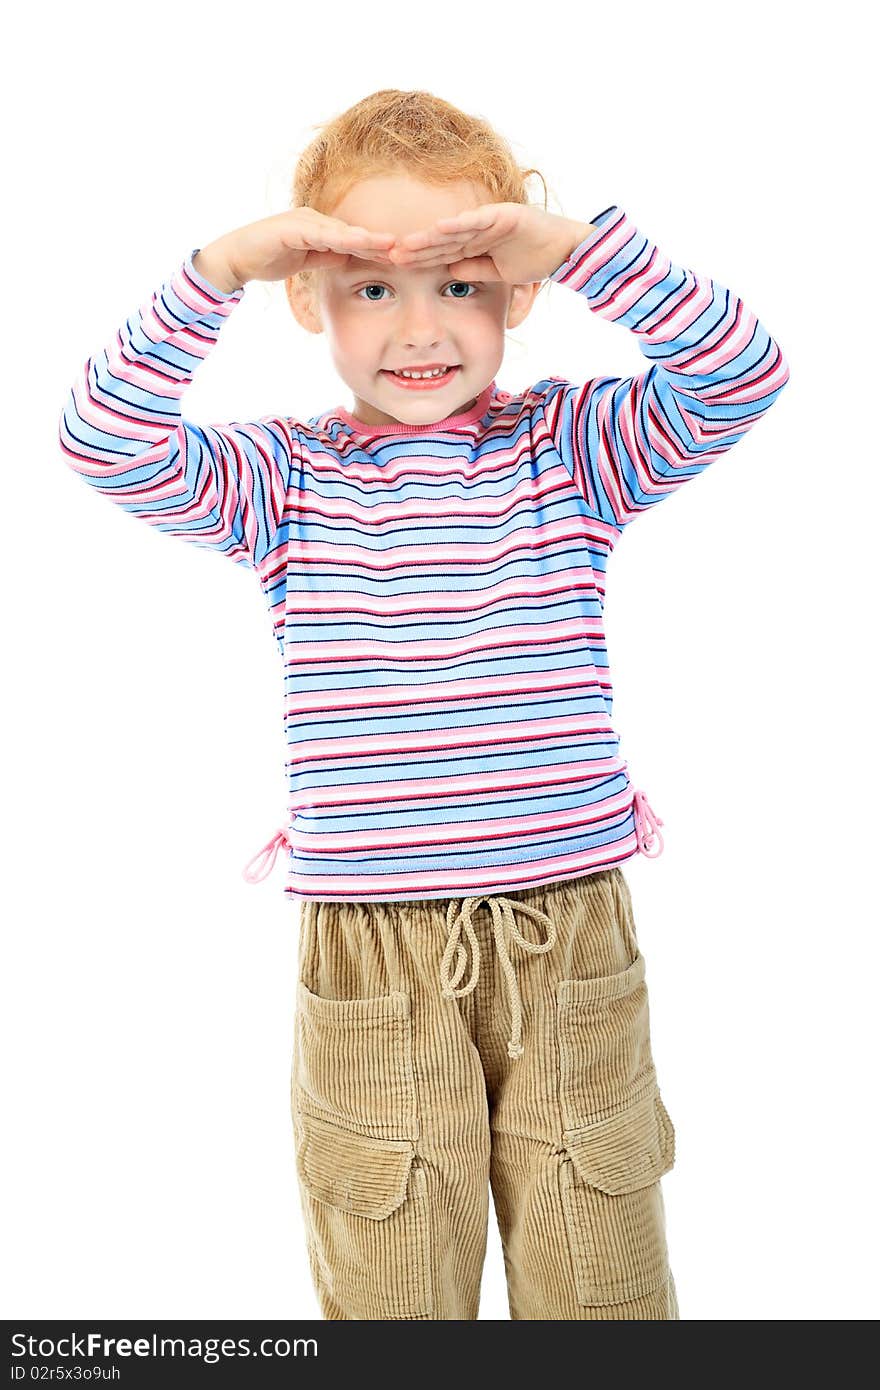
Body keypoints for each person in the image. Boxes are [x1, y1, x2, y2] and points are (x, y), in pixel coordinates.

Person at [58, 88, 790, 1320]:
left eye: (462, 283)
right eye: (371, 286)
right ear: (308, 297)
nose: (421, 329)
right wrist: (218, 271)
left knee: (597, 1258)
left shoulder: (571, 451)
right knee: (394, 1272)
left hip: (568, 931)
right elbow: (107, 442)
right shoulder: (278, 481)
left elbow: (740, 375)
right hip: (372, 949)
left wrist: (575, 249)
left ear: (514, 291)